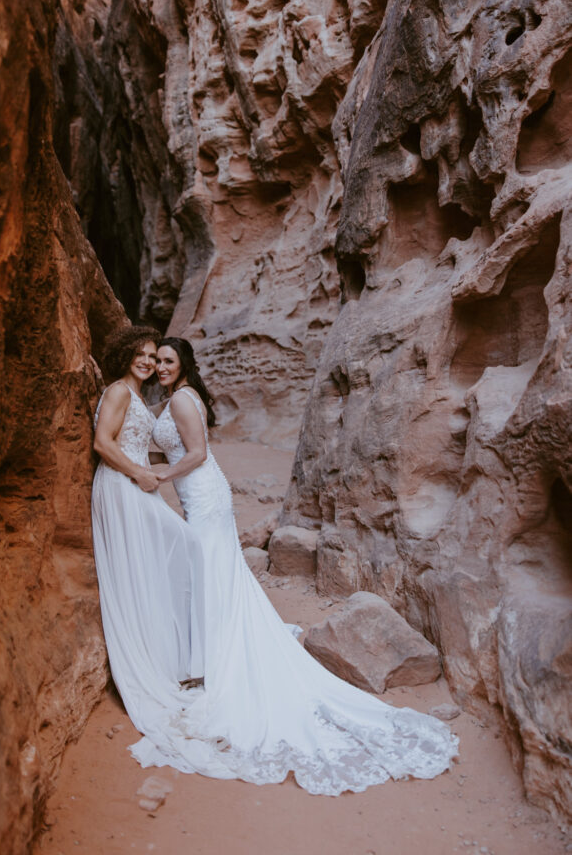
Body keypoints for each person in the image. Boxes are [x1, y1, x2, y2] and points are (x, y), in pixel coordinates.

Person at [127, 335, 459, 795]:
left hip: (205, 498)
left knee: (211, 574)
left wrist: (157, 474)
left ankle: (213, 662)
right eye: (156, 360)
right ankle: (207, 656)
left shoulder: (182, 399)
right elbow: (177, 448)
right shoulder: (175, 398)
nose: (160, 366)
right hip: (198, 497)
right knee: (213, 576)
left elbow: (198, 454)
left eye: (168, 360)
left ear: (183, 364)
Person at [90, 326, 205, 745]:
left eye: (154, 357)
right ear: (125, 355)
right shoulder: (119, 392)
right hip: (122, 486)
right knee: (168, 551)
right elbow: (103, 443)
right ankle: (148, 664)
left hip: (136, 484)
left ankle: (171, 658)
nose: (148, 362)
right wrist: (140, 472)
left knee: (159, 560)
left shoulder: (136, 395)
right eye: (141, 354)